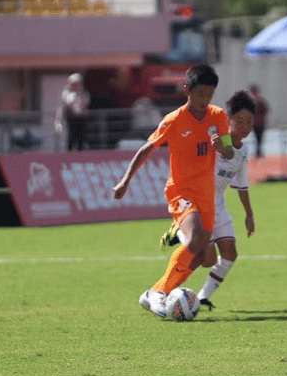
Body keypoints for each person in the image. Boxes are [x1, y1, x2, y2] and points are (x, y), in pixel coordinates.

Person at [113, 64, 234, 318]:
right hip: (181, 191)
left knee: (206, 257)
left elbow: (229, 150)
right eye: (200, 94)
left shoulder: (219, 116)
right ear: (187, 90)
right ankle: (160, 291)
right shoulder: (174, 120)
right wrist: (125, 181)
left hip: (206, 195)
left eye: (209, 95)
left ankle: (153, 293)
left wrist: (221, 148)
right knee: (196, 240)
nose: (204, 100)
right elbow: (147, 148)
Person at [159, 90, 256, 310]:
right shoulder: (214, 138)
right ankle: (181, 232)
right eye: (238, 121)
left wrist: (249, 215)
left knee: (230, 254)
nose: (244, 126)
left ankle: (202, 297)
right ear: (228, 121)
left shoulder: (244, 150)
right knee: (207, 259)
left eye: (248, 122)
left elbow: (241, 185)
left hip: (218, 204)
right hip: (199, 202)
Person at [55, 73, 90, 151]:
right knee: (71, 138)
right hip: (71, 118)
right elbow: (67, 104)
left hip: (81, 118)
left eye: (78, 84)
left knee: (81, 139)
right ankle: (69, 155)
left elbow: (86, 103)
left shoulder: (84, 93)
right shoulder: (66, 93)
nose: (76, 86)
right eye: (74, 84)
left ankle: (80, 154)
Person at [249, 84, 269, 158]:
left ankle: (258, 151)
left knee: (260, 138)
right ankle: (258, 152)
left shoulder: (261, 102)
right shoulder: (251, 102)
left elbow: (266, 110)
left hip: (261, 123)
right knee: (256, 138)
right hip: (255, 124)